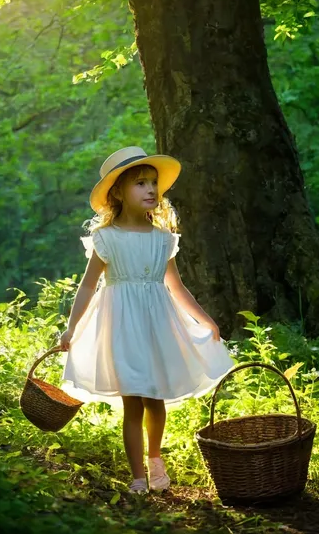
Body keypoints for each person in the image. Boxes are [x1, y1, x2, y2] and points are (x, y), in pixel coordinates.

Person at [60, 146, 234, 494]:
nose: (151, 190)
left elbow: (176, 286)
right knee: (133, 400)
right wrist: (72, 326)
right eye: (140, 183)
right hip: (121, 326)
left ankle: (155, 459)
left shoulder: (162, 239)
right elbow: (88, 285)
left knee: (154, 398)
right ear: (118, 193)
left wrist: (205, 321)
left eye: (153, 183)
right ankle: (138, 475)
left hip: (156, 325)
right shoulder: (106, 239)